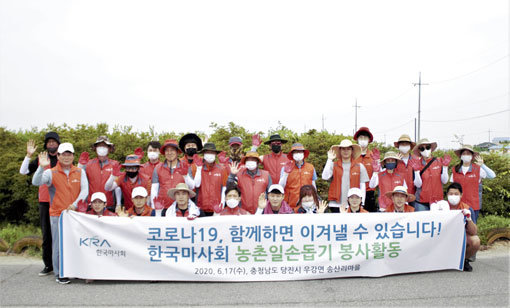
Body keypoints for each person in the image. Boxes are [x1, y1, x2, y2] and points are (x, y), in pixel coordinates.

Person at [32, 143, 89, 284]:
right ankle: (60, 273)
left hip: (76, 214)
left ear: (73, 156)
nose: (66, 157)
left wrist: (75, 205)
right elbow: (36, 181)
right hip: (58, 214)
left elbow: (85, 191)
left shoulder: (80, 172)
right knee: (59, 244)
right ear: (58, 156)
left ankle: (75, 270)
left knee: (76, 243)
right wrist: (41, 167)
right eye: (63, 154)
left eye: (69, 154)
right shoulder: (50, 172)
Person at [19, 132, 60, 276]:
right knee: (47, 235)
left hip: (60, 202)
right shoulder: (41, 158)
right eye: (48, 142)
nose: (51, 144)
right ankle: (48, 265)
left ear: (58, 143)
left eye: (53, 142)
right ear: (46, 145)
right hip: (45, 202)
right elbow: (23, 171)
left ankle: (62, 264)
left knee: (61, 235)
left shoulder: (64, 158)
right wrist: (28, 155)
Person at [431, 183, 480, 271]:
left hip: (460, 237)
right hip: (442, 237)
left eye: (456, 194)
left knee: (475, 241)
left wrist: (468, 218)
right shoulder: (441, 206)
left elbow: (474, 232)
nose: (453, 196)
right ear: (447, 195)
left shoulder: (467, 208)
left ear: (461, 195)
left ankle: (463, 260)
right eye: (451, 194)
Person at [450, 145, 496, 223]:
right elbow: (452, 187)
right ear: (461, 156)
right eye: (464, 154)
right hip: (458, 205)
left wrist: (482, 165)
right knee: (459, 228)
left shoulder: (478, 169)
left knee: (471, 228)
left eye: (468, 154)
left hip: (473, 205)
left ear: (472, 156)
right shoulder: (455, 169)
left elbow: (492, 176)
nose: (466, 156)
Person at [322, 139, 370, 213]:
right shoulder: (333, 165)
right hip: (336, 204)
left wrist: (362, 202)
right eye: (343, 149)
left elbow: (362, 186)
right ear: (340, 151)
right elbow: (324, 177)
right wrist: (329, 160)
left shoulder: (360, 166)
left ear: (352, 151)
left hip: (353, 204)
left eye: (348, 149)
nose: (346, 151)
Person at [80, 136, 122, 212]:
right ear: (95, 148)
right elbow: (80, 182)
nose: (102, 148)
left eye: (104, 146)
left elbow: (117, 186)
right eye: (99, 146)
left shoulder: (115, 164)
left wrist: (118, 204)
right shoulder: (88, 164)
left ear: (109, 149)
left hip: (109, 205)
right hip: (92, 205)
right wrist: (81, 165)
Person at [150, 139, 195, 208]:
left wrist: (186, 176)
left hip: (181, 207)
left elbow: (192, 186)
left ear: (177, 152)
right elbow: (154, 190)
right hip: (162, 207)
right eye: (167, 150)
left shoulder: (185, 166)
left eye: (172, 150)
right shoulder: (158, 168)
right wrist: (154, 207)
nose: (169, 153)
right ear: (164, 153)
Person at [409, 138, 450, 211]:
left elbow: (444, 181)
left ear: (431, 148)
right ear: (419, 151)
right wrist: (416, 171)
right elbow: (418, 185)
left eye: (427, 147)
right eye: (422, 148)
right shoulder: (416, 164)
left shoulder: (439, 161)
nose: (425, 150)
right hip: (421, 202)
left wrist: (445, 167)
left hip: (438, 202)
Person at [279, 143, 317, 211]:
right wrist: (286, 173)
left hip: (307, 204)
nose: (298, 154)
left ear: (303, 153)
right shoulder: (286, 167)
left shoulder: (311, 167)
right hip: (290, 204)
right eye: (296, 152)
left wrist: (315, 200)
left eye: (300, 152)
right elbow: (281, 187)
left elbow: (314, 186)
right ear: (292, 154)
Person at [193, 143, 228, 216]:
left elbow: (224, 187)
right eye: (207, 152)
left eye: (212, 152)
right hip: (200, 208)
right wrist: (199, 169)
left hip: (216, 208)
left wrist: (222, 203)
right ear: (204, 154)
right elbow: (196, 185)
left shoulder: (221, 169)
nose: (210, 154)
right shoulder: (198, 167)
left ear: (215, 154)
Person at [353, 127, 378, 212]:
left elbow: (377, 178)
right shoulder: (352, 156)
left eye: (365, 138)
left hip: (369, 193)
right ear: (357, 140)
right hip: (354, 194)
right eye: (361, 138)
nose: (363, 140)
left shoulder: (373, 156)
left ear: (369, 140)